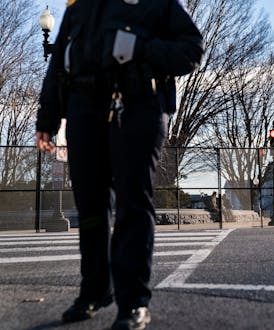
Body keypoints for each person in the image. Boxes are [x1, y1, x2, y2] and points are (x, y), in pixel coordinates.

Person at [35, 1, 203, 329]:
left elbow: (191, 50)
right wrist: (47, 117)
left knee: (132, 202)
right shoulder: (79, 7)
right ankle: (95, 290)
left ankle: (133, 302)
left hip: (138, 103)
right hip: (84, 110)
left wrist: (141, 48)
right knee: (90, 206)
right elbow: (57, 65)